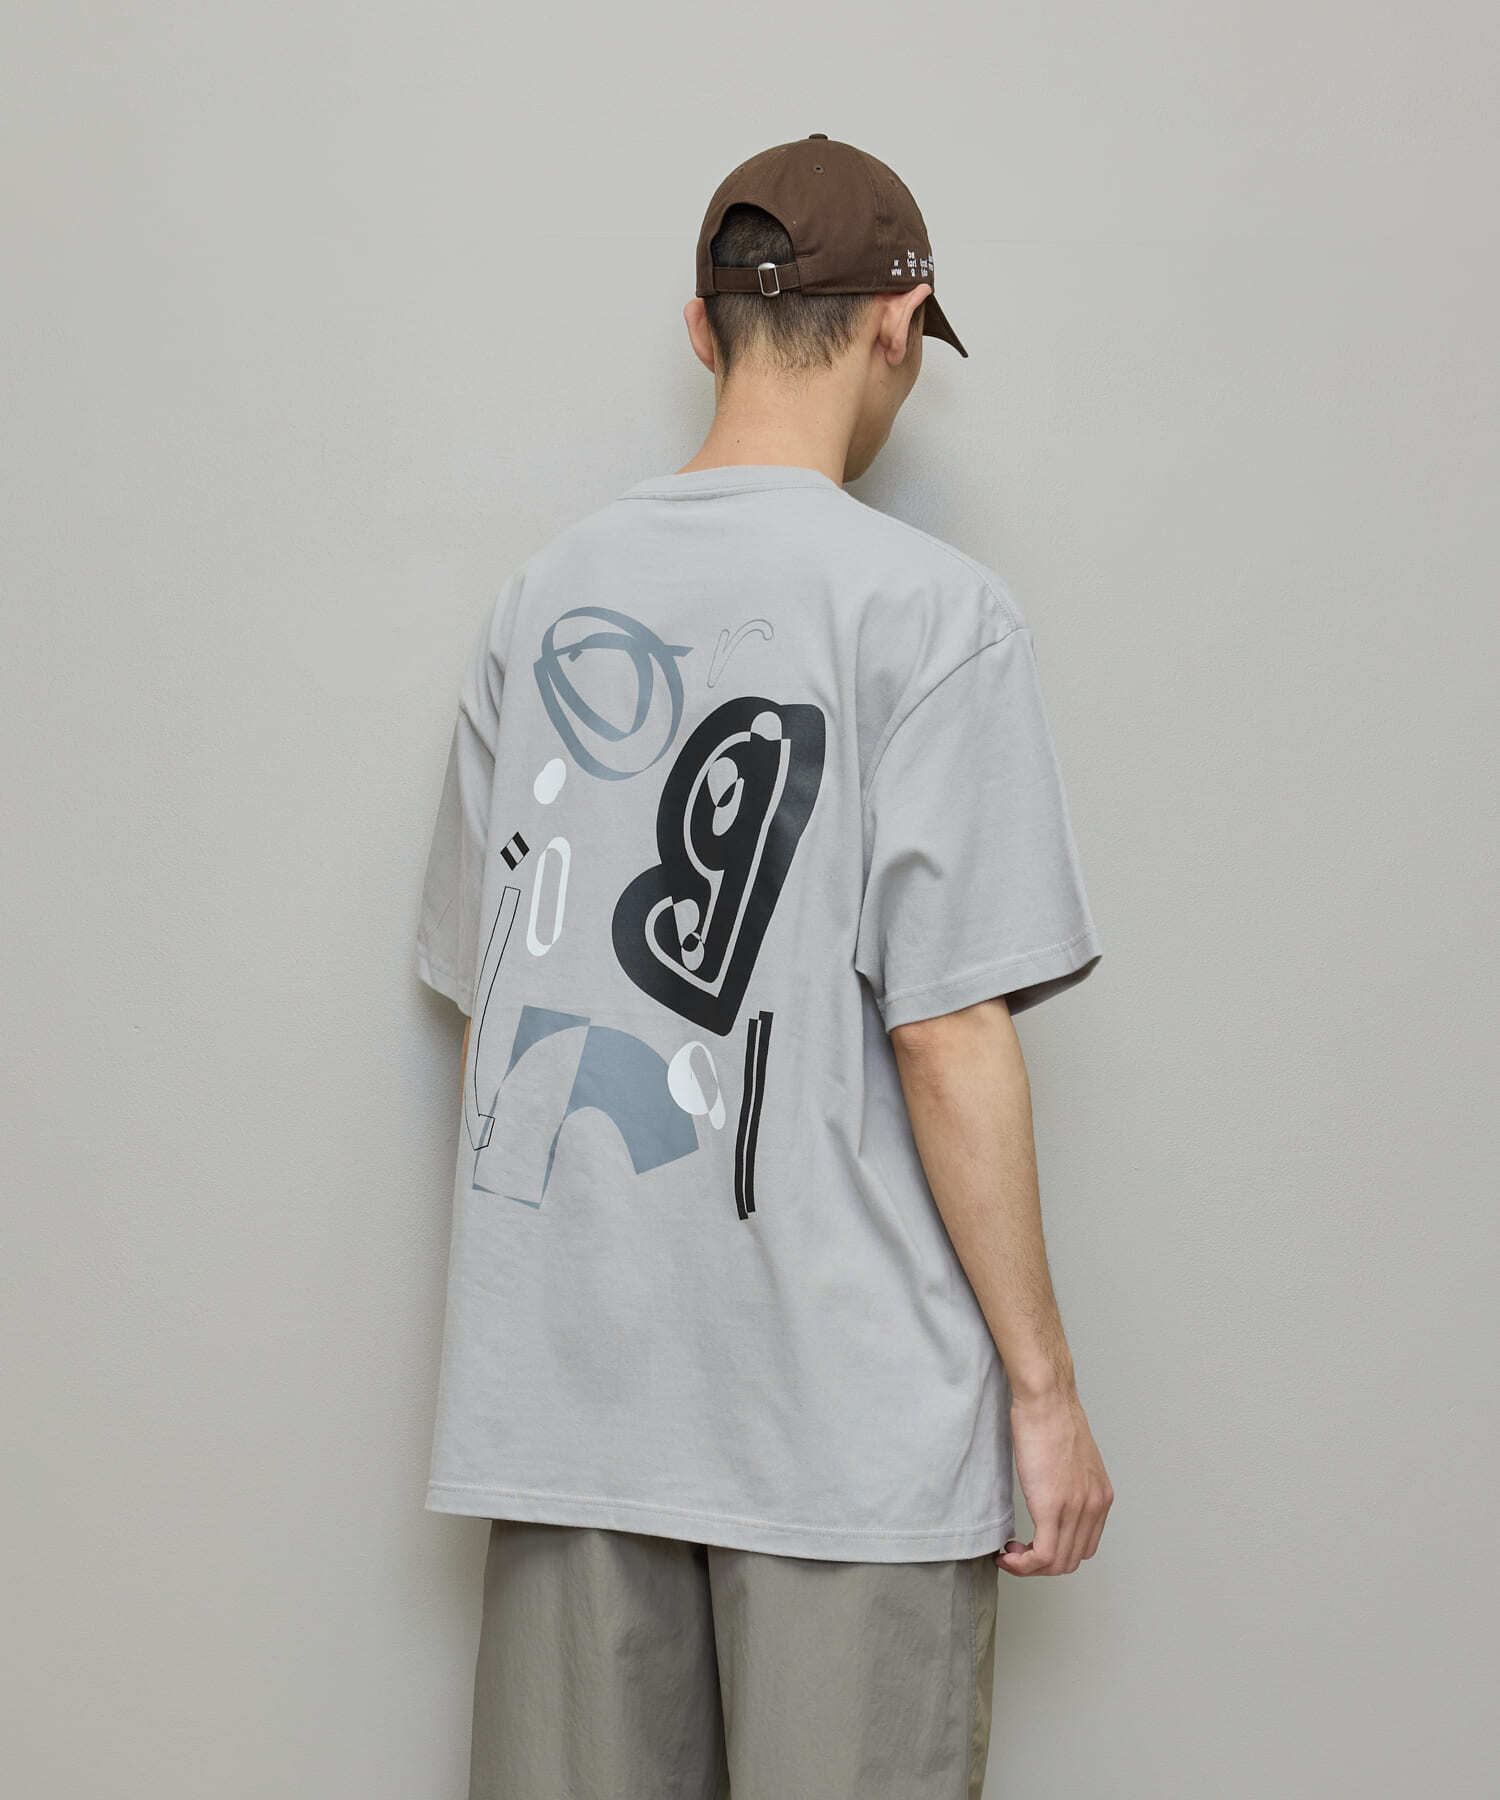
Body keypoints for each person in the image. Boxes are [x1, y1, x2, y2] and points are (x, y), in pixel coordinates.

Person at [414, 133, 1113, 1800]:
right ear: (900, 325)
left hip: (569, 1409)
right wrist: (1044, 1393)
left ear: (701, 328)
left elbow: (491, 986)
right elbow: (948, 1028)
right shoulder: (933, 616)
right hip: (839, 1429)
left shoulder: (540, 601)